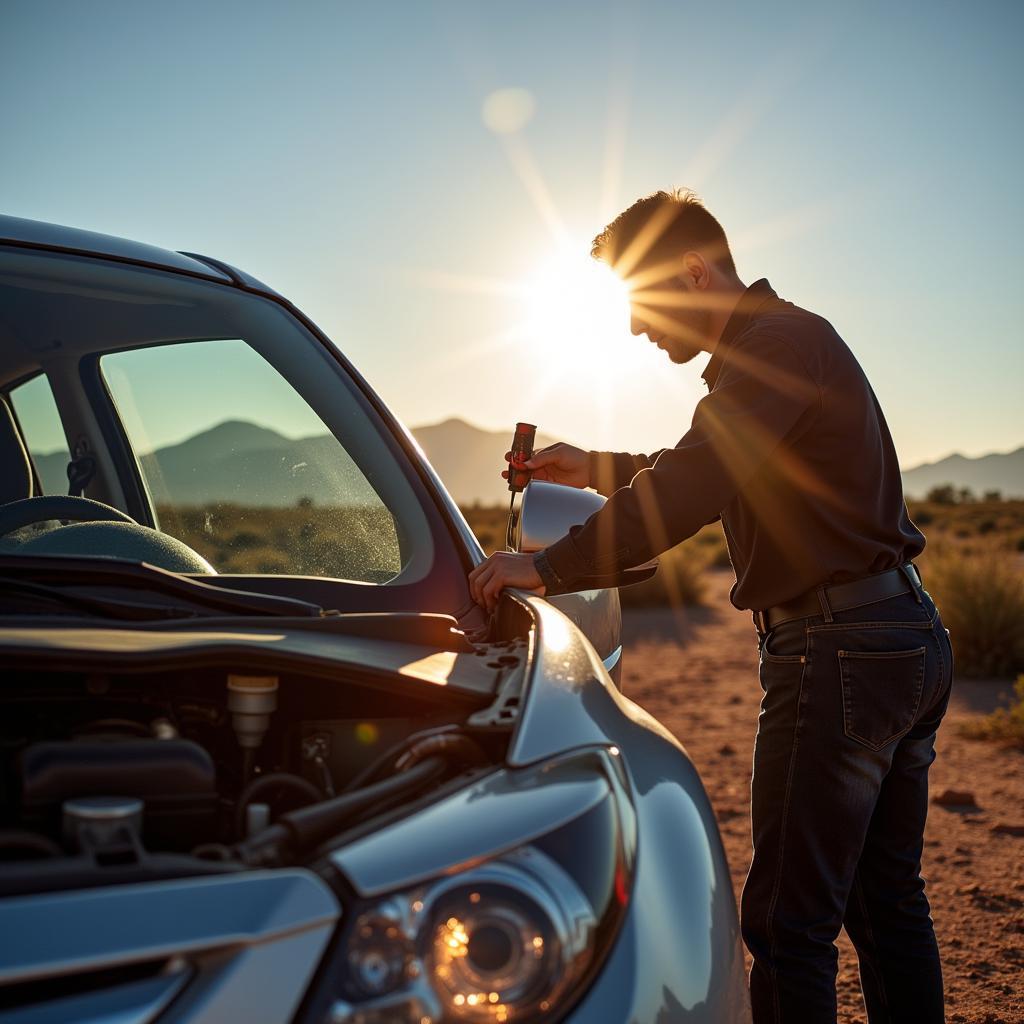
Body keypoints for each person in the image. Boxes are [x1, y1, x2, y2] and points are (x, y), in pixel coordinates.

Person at [468, 189, 952, 1023]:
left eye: (640, 304)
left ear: (693, 272)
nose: (634, 331)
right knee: (884, 905)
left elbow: (694, 482)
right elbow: (716, 462)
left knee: (789, 927)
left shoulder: (774, 348)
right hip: (897, 638)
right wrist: (598, 467)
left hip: (839, 652)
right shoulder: (789, 345)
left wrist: (546, 568)